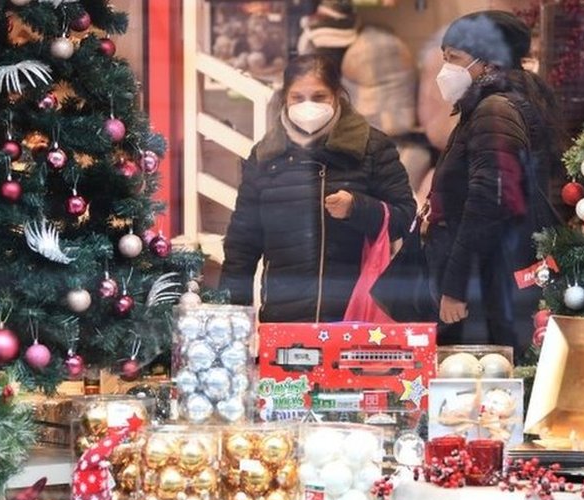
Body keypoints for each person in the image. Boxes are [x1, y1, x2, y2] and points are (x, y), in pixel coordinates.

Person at [221, 53, 416, 322]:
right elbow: (242, 243)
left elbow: (405, 216)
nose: (308, 105)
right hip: (285, 318)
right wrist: (234, 314)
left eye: (319, 96)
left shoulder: (372, 148)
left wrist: (358, 209)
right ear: (284, 99)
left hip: (357, 315)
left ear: (337, 95)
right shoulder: (266, 155)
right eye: (297, 98)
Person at [425, 10, 565, 347]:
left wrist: (455, 286)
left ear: (488, 62)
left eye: (455, 58)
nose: (446, 70)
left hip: (488, 280)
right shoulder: (490, 105)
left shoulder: (494, 110)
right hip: (492, 273)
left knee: (479, 379)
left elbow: (487, 204)